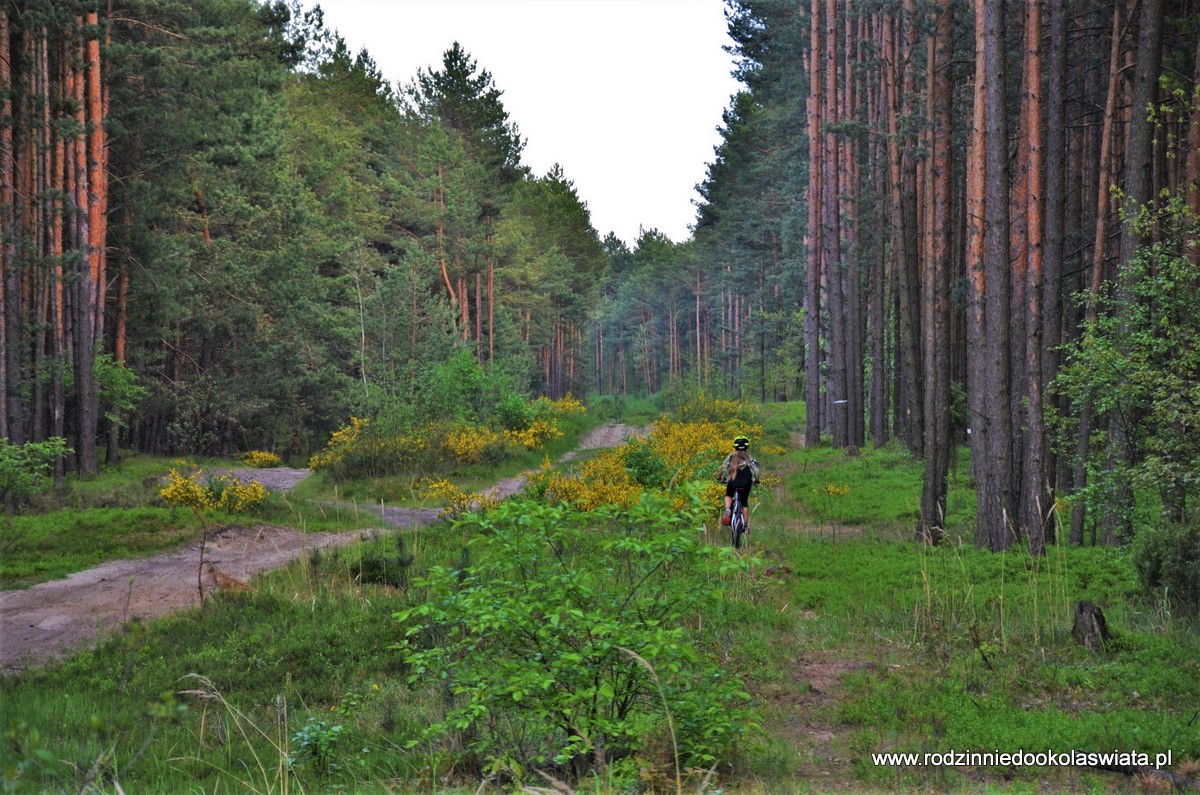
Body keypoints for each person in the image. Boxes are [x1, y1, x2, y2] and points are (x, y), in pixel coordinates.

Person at [718, 434, 761, 532]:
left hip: (733, 482)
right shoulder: (750, 459)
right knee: (744, 502)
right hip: (746, 483)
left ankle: (728, 508)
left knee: (729, 494)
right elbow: (756, 470)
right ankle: (745, 525)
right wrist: (756, 480)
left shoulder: (731, 457)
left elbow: (722, 468)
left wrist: (719, 477)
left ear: (734, 447)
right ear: (747, 447)